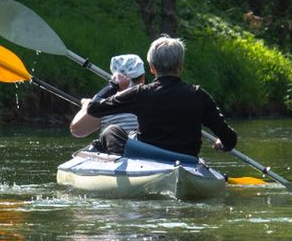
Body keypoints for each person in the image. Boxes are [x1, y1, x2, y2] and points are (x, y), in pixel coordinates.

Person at [79, 35, 237, 157]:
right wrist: (222, 143)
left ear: (152, 68)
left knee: (111, 131)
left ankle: (111, 161)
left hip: (148, 158)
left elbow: (93, 108)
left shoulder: (140, 93)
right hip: (186, 159)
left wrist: (112, 85)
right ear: (181, 66)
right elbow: (230, 139)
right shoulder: (199, 95)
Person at [69, 54, 145, 141]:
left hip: (115, 151)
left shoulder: (105, 105)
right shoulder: (154, 98)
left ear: (114, 77)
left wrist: (86, 106)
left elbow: (77, 131)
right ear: (142, 78)